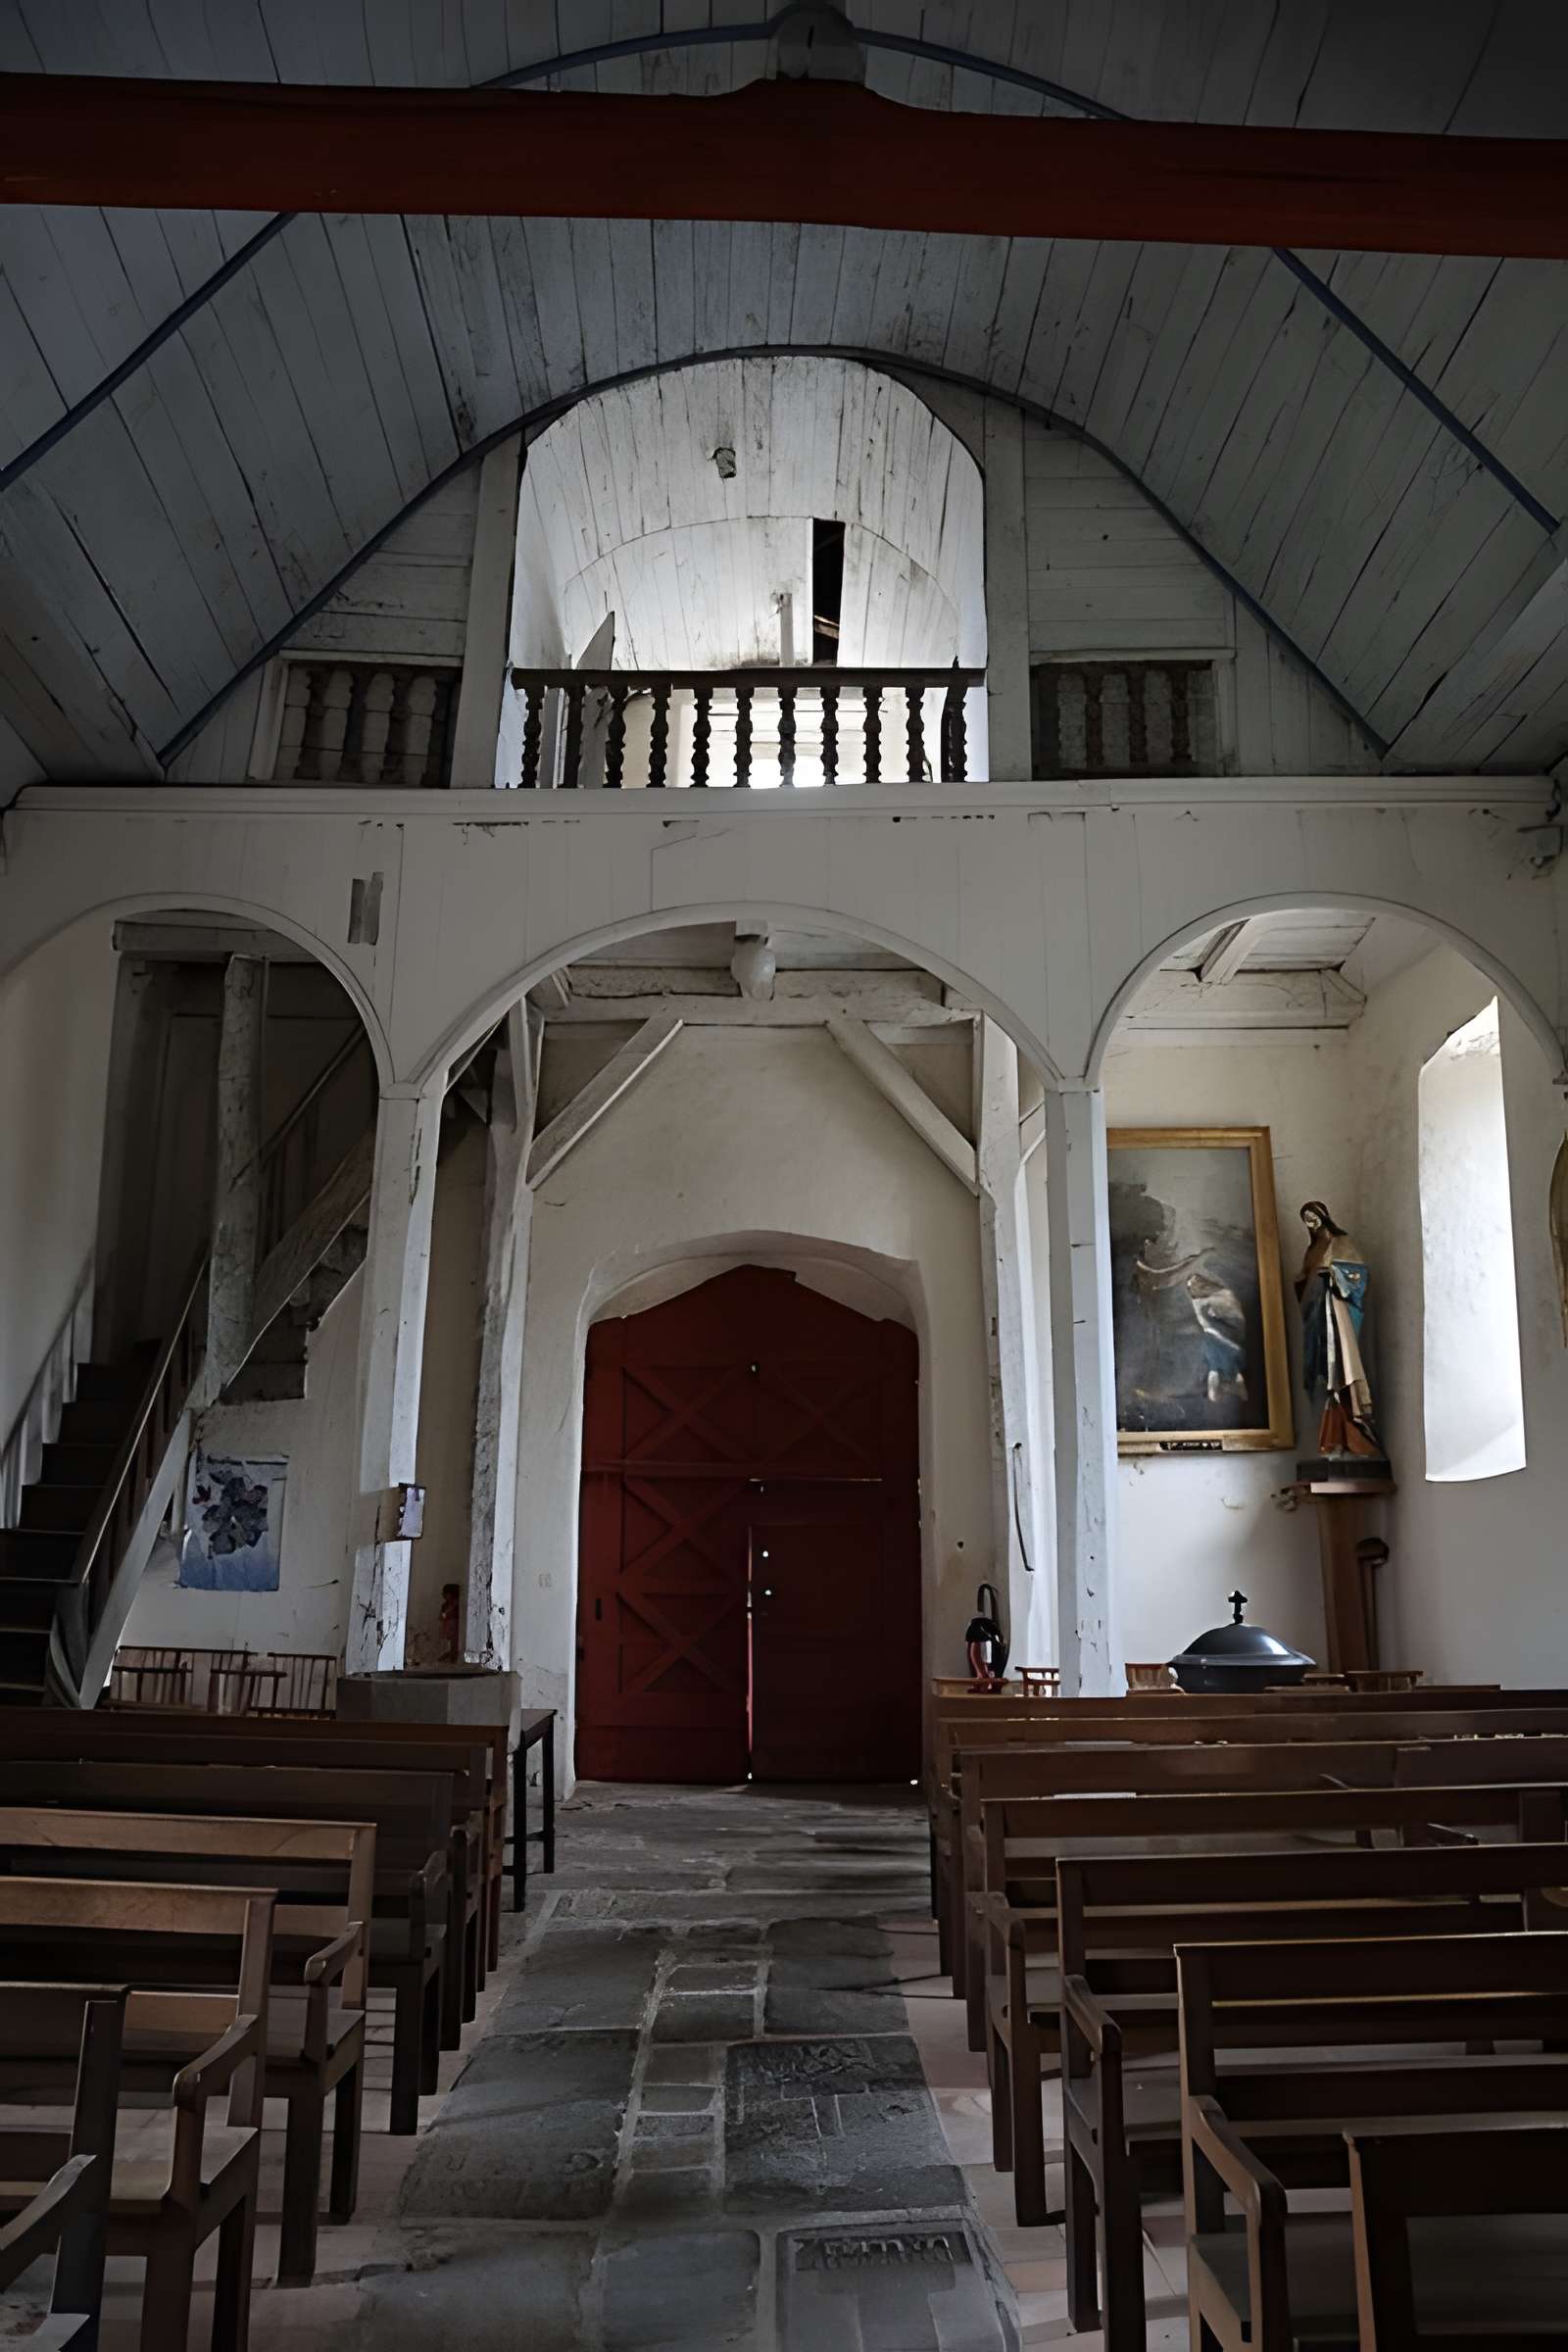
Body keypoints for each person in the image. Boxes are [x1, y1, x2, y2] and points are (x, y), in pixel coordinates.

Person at [1296, 1200, 1383, 1457]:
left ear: (1324, 1217)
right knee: (1323, 1373)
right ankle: (1332, 1439)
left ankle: (1354, 1436)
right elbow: (1304, 1283)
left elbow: (1358, 1276)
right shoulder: (1311, 1251)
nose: (1310, 1223)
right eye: (1306, 1220)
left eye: (1313, 1217)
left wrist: (1332, 1275)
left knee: (1342, 1371)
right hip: (1317, 1317)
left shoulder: (1342, 1242)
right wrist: (1303, 1281)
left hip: (1338, 1312)